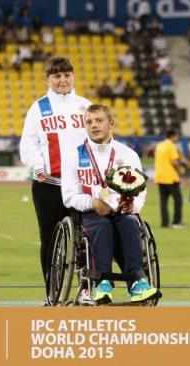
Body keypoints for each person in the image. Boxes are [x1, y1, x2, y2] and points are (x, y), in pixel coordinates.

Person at [60, 104, 159, 305]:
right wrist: (93, 202)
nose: (93, 126)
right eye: (89, 122)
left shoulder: (128, 154)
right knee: (102, 226)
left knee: (130, 223)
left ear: (111, 123)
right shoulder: (74, 155)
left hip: (121, 210)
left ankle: (137, 283)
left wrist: (133, 206)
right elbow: (69, 195)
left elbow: (140, 190)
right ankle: (102, 281)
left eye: (99, 120)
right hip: (90, 211)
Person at [19, 56, 91, 299]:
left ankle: (86, 290)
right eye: (57, 76)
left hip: (81, 186)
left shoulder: (85, 106)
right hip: (48, 185)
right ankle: (52, 293)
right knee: (49, 240)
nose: (63, 80)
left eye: (67, 75)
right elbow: (29, 142)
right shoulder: (39, 108)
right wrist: (36, 166)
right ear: (48, 79)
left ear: (73, 76)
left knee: (88, 239)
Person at [154, 129, 185, 229]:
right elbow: (174, 161)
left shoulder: (159, 145)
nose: (177, 138)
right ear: (172, 136)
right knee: (178, 200)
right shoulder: (171, 145)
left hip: (160, 177)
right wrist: (180, 170)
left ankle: (165, 223)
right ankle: (177, 222)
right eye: (176, 136)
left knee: (163, 201)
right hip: (171, 177)